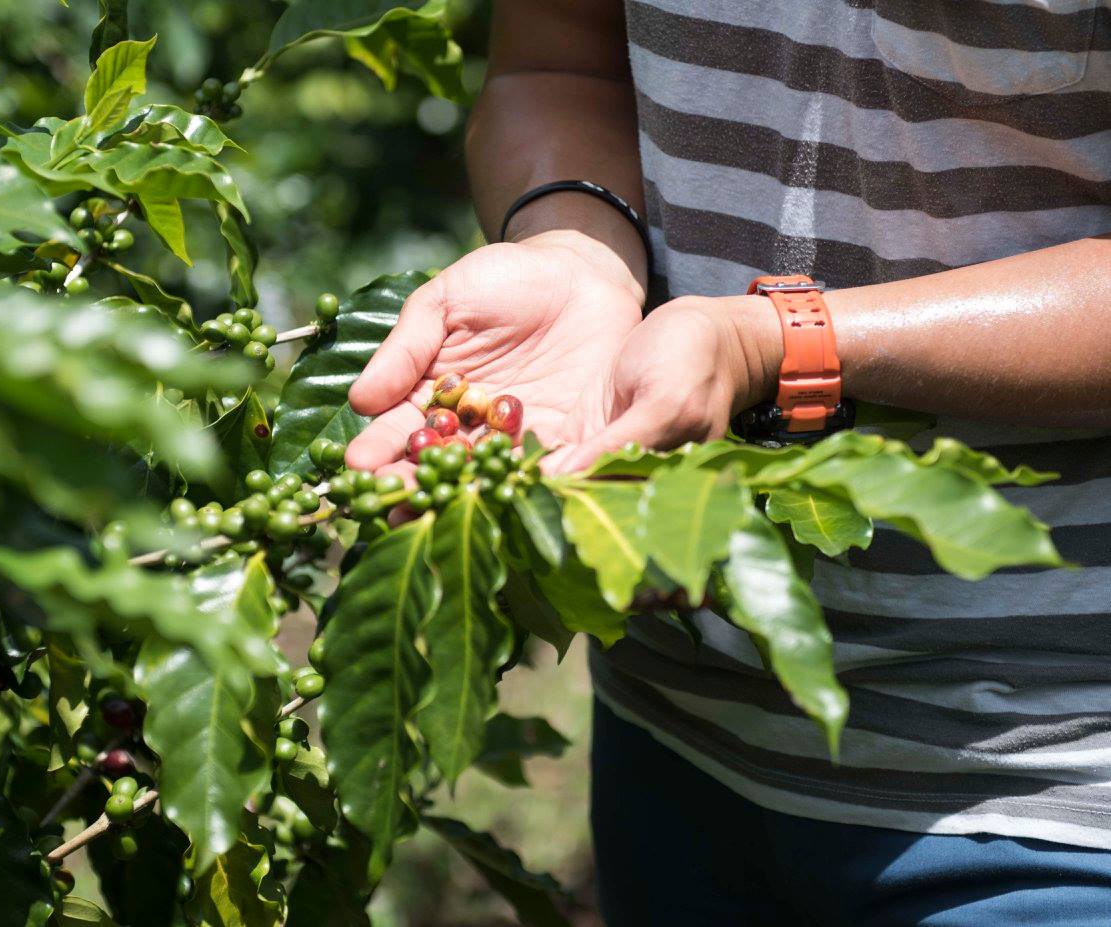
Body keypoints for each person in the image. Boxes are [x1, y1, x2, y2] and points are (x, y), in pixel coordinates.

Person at [345, 1, 1111, 924]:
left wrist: (774, 342)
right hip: (675, 737)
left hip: (1048, 797)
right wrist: (573, 249)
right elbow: (555, 66)